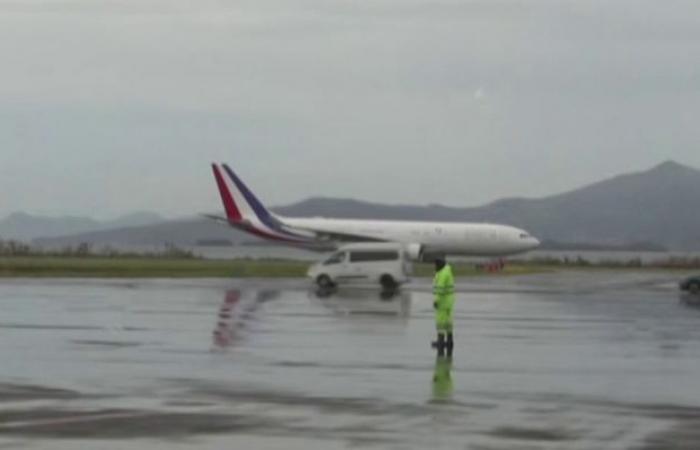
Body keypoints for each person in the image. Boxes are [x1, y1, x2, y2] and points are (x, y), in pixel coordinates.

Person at [431, 256, 455, 356]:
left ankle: (441, 342)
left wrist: (436, 301)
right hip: (449, 301)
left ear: (439, 265)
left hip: (442, 302)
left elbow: (440, 289)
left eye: (436, 265)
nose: (434, 267)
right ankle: (449, 341)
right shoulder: (447, 271)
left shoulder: (442, 274)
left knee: (440, 322)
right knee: (448, 322)